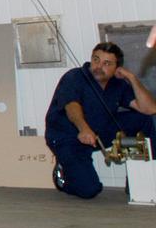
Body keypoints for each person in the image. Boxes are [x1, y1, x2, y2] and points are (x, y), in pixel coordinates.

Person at [45, 42, 156, 199]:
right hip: (67, 136)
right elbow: (72, 107)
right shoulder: (75, 76)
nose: (98, 66)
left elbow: (150, 108)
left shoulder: (117, 84)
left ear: (117, 68)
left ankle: (140, 179)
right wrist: (83, 129)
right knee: (90, 190)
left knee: (144, 119)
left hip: (98, 131)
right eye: (96, 59)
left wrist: (131, 77)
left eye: (107, 63)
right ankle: (63, 174)